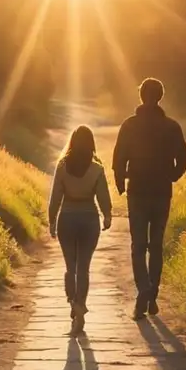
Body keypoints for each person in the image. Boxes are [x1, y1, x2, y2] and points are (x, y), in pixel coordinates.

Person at [112, 78, 186, 319]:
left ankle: (143, 291)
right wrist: (172, 176)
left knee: (138, 246)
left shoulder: (129, 125)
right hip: (161, 192)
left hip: (137, 192)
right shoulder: (171, 126)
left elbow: (118, 159)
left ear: (141, 96)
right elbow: (184, 158)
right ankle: (152, 295)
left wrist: (120, 184)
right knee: (156, 247)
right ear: (160, 97)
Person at [48, 125, 112, 334]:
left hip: (66, 218)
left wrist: (51, 221)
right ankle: (81, 305)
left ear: (72, 142)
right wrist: (107, 215)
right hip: (89, 219)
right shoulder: (97, 169)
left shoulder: (62, 166)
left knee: (70, 267)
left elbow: (55, 197)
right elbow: (103, 195)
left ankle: (73, 303)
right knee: (84, 267)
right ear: (91, 143)